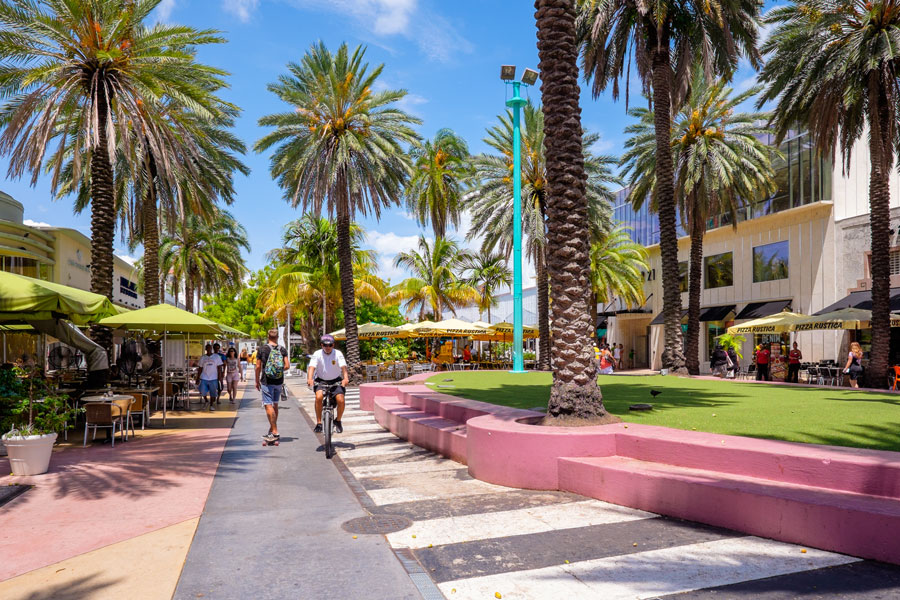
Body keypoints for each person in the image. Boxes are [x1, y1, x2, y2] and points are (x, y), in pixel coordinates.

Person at [307, 334, 349, 434]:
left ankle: (338, 421)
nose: (328, 347)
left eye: (330, 345)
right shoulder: (317, 354)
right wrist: (309, 379)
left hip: (336, 380)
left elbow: (343, 368)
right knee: (318, 397)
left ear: (333, 345)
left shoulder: (338, 353)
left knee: (340, 400)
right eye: (325, 345)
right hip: (321, 380)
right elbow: (312, 367)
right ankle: (319, 423)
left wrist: (346, 378)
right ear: (321, 345)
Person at [256, 329, 290, 442]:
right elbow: (287, 366)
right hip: (279, 381)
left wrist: (257, 380)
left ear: (268, 336)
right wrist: (277, 371)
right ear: (277, 337)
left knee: (268, 405)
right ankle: (272, 429)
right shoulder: (282, 349)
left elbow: (257, 366)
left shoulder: (262, 349)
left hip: (267, 380)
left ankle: (275, 431)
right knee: (275, 405)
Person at [197, 344, 224, 411]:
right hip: (204, 377)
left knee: (213, 392)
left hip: (214, 377)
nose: (209, 349)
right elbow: (200, 368)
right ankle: (206, 401)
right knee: (202, 391)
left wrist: (220, 376)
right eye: (207, 348)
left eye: (210, 348)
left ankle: (211, 405)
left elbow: (219, 367)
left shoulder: (216, 357)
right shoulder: (203, 357)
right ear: (206, 349)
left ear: (211, 348)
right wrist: (198, 377)